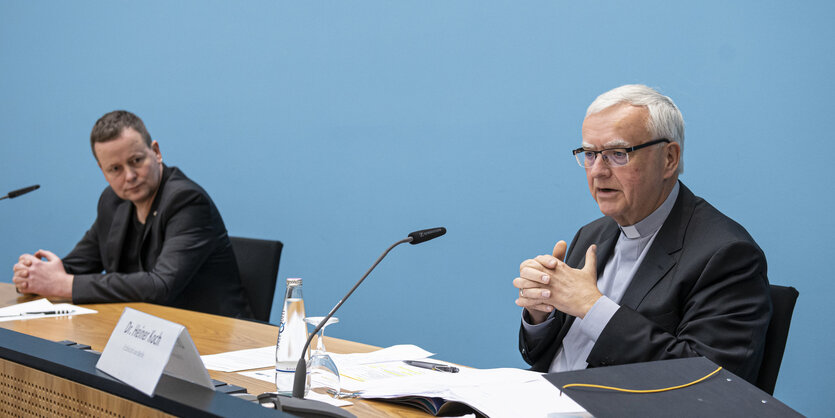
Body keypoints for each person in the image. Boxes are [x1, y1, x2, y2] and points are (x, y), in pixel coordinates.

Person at [514, 84, 771, 383]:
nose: (597, 170)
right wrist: (540, 313)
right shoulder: (592, 234)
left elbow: (709, 383)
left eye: (617, 153)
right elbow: (542, 356)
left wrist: (592, 307)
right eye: (589, 154)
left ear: (669, 159)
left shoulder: (726, 254)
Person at [12, 110, 252, 318]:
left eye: (136, 161)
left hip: (216, 338)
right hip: (145, 335)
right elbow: (78, 265)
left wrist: (64, 285)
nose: (129, 176)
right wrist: (34, 275)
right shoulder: (113, 201)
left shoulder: (187, 201)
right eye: (115, 169)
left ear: (156, 152)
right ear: (102, 171)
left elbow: (160, 286)